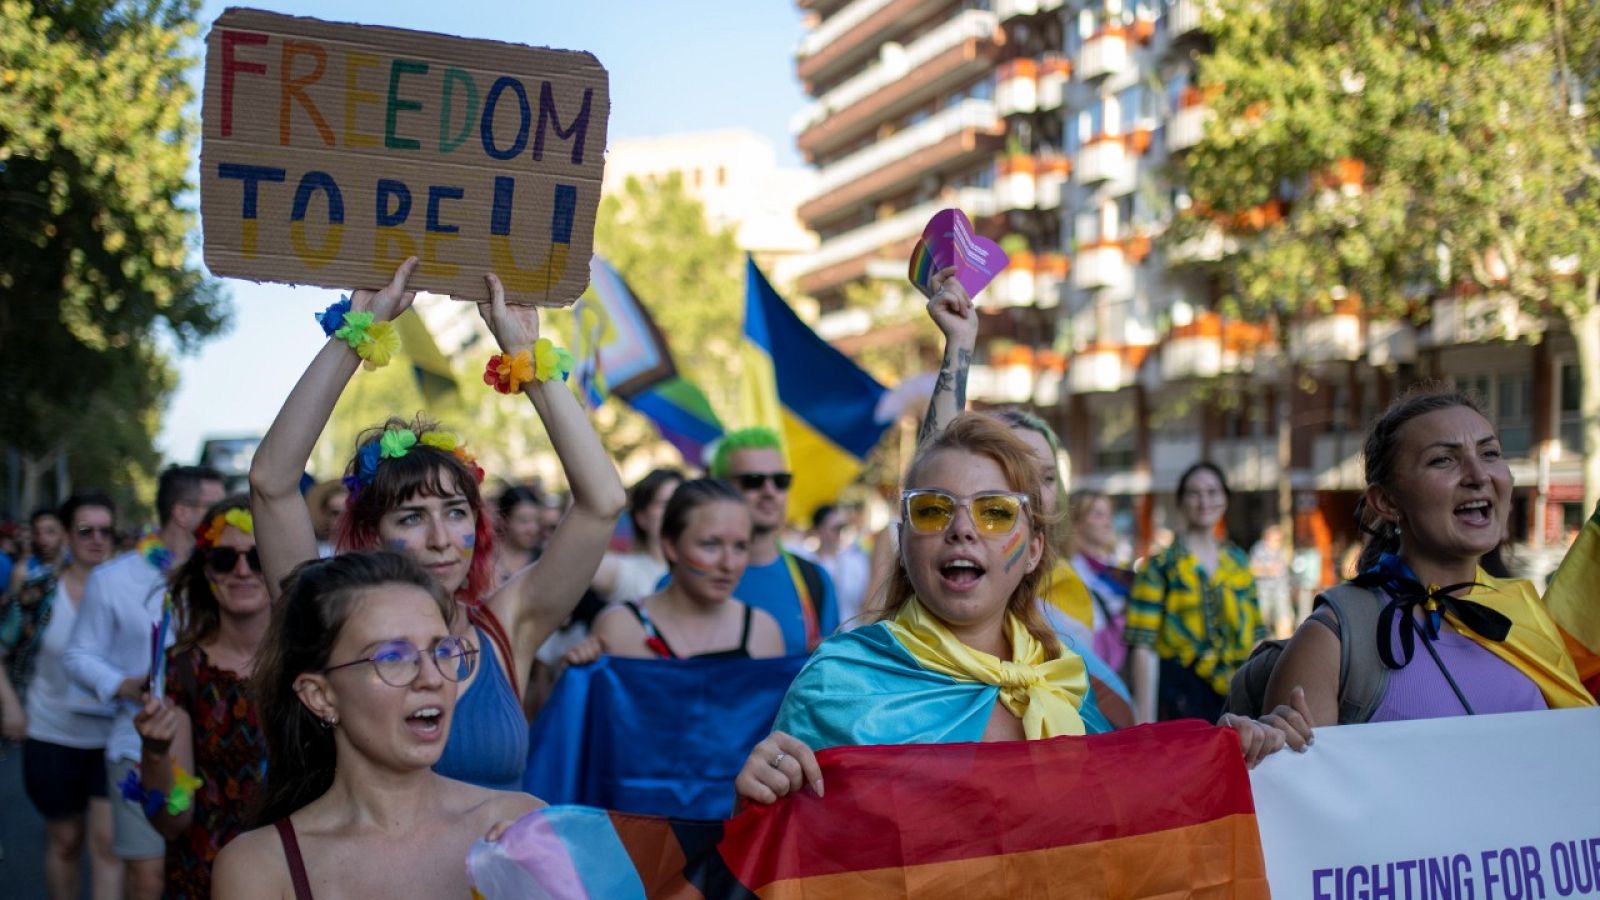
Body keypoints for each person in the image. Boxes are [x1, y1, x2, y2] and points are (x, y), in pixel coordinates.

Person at [735, 416, 1298, 805]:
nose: (962, 528)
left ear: (1032, 550)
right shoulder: (837, 684)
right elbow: (783, 863)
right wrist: (760, 795)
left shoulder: (1063, 677)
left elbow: (1130, 807)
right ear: (903, 542)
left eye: (995, 512)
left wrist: (1228, 751)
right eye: (932, 510)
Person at [249, 259, 625, 791]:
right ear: (372, 534)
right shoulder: (321, 617)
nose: (441, 539)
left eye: (455, 511)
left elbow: (603, 502)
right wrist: (358, 332)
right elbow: (271, 483)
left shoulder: (505, 628)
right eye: (411, 517)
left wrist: (527, 356)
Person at [211, 552, 539, 899]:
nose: (432, 678)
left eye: (442, 651)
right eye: (393, 657)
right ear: (320, 696)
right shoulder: (260, 866)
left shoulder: (523, 826)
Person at [1264, 388, 1595, 725]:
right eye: (1443, 460)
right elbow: (1297, 760)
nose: (1479, 475)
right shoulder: (1332, 640)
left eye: (1490, 453)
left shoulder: (1525, 613)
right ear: (1386, 502)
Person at [64, 465, 225, 900]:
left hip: (216, 747)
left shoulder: (227, 575)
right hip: (139, 746)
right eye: (216, 507)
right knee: (148, 878)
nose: (229, 516)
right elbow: (78, 654)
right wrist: (124, 684)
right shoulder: (113, 579)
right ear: (183, 512)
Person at [129, 497, 268, 899]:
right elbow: (171, 822)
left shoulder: (313, 663)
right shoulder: (180, 670)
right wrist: (155, 753)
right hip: (206, 875)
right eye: (225, 559)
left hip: (301, 873)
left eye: (258, 557)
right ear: (207, 570)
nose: (242, 570)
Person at [0, 492, 122, 900]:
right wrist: (11, 707)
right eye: (86, 530)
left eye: (106, 530)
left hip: (114, 738)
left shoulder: (132, 590)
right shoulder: (39, 590)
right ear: (68, 535)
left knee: (107, 844)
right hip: (51, 733)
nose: (97, 539)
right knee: (66, 841)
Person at [576, 479, 784, 661]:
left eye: (740, 547)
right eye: (710, 545)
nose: (728, 564)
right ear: (671, 546)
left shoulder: (763, 632)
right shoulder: (619, 629)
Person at [1126, 462, 1262, 724]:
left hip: (1237, 693)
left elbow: (1257, 634)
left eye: (1212, 492)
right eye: (1194, 493)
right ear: (1181, 501)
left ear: (1225, 499)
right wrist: (1144, 721)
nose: (1204, 501)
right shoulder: (1160, 565)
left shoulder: (1238, 562)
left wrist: (1259, 698)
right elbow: (1143, 645)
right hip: (1181, 695)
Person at [691, 427, 837, 655]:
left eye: (780, 481)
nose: (769, 491)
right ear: (721, 489)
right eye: (753, 481)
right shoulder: (687, 580)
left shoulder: (815, 579)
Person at [590, 468, 684, 606]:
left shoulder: (710, 569)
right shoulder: (624, 571)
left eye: (682, 503)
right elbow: (575, 563)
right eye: (665, 504)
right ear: (642, 517)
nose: (676, 511)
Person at [1068, 489, 1134, 674]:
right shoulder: (1068, 572)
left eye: (1109, 514)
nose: (1108, 522)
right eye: (1098, 515)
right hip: (1092, 669)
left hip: (1120, 669)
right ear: (1077, 521)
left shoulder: (1114, 569)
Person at [801, 504, 872, 630]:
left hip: (851, 632)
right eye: (835, 528)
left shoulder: (855, 562)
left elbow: (867, 600)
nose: (840, 533)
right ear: (818, 529)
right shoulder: (807, 563)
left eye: (843, 527)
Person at [492, 485, 546, 587]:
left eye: (537, 520)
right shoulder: (486, 558)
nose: (533, 529)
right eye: (524, 521)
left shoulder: (544, 558)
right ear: (504, 521)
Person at [9, 507, 67, 594]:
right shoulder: (23, 571)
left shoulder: (75, 566)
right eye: (37, 533)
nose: (43, 539)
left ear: (63, 533)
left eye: (50, 532)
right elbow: (14, 600)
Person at [1250, 523, 1293, 638]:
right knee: (1262, 623)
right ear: (1268, 537)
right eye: (1276, 538)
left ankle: (1283, 646)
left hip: (1281, 592)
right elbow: (1251, 569)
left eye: (1280, 539)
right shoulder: (1258, 549)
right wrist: (1268, 570)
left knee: (1285, 620)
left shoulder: (1282, 550)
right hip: (1264, 593)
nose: (1278, 541)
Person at [304, 481, 348, 559]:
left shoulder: (366, 551)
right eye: (335, 513)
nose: (342, 519)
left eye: (348, 513)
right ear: (326, 515)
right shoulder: (313, 552)